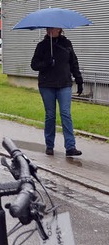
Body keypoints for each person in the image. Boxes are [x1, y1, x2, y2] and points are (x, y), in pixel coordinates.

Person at [31, 27, 83, 157]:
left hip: (64, 84)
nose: (49, 30)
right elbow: (34, 64)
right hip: (47, 84)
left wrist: (79, 79)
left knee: (66, 114)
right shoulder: (42, 46)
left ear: (59, 29)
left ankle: (70, 147)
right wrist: (46, 63)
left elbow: (73, 62)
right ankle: (49, 145)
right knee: (50, 115)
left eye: (52, 28)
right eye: (48, 28)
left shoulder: (67, 44)